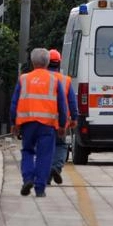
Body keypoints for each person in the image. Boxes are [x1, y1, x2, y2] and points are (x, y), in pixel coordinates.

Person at [9, 48, 68, 198]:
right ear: (47, 62)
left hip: (27, 123)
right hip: (47, 124)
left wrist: (13, 123)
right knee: (45, 155)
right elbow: (62, 104)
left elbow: (14, 103)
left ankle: (28, 178)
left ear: (32, 62)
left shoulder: (24, 79)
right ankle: (40, 188)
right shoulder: (54, 80)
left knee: (27, 151)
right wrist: (62, 125)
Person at [47, 49, 79, 184]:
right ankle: (56, 167)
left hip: (43, 120)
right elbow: (72, 101)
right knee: (61, 146)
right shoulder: (65, 80)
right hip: (62, 121)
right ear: (59, 63)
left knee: (45, 146)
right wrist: (74, 118)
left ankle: (45, 171)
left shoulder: (40, 79)